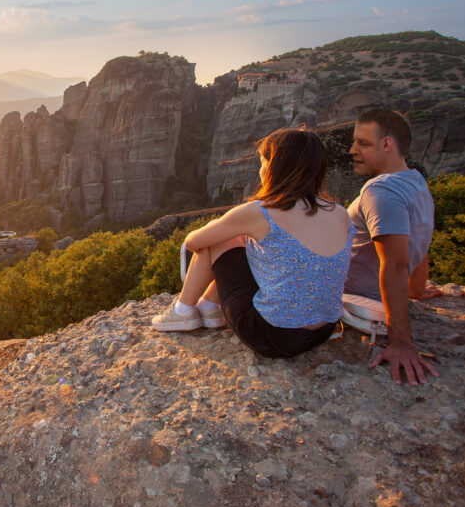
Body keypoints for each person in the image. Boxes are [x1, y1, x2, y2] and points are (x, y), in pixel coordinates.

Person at [151, 127, 354, 359]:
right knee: (249, 240)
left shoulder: (262, 212)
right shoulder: (340, 212)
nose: (260, 169)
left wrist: (220, 227)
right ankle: (208, 307)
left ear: (273, 167)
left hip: (273, 336)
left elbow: (193, 241)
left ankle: (183, 310)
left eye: (262, 162)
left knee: (220, 235)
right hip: (323, 330)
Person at [345, 108, 439, 386]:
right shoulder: (416, 182)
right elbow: (419, 244)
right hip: (378, 297)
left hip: (354, 300)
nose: (352, 150)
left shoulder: (381, 191)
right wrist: (416, 291)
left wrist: (400, 343)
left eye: (363, 143)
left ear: (387, 144)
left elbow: (395, 265)